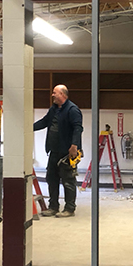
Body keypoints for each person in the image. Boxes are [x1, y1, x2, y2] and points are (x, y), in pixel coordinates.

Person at [33, 84, 83, 218]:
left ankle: (69, 209)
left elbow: (78, 128)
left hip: (67, 153)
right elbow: (44, 122)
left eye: (55, 93)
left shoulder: (72, 110)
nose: (52, 95)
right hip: (54, 151)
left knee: (68, 181)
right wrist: (28, 127)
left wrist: (74, 146)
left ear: (63, 95)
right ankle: (53, 207)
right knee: (51, 179)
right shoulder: (54, 109)